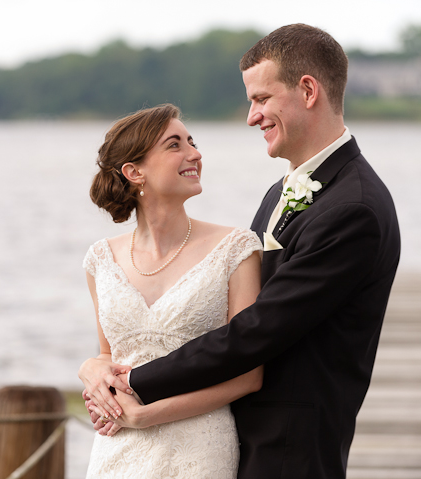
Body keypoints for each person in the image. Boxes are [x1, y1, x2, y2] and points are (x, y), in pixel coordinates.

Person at [79, 24, 401, 479]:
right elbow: (228, 313)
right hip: (231, 436)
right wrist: (94, 366)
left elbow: (253, 332)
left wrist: (132, 381)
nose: (252, 116)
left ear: (307, 90)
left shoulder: (355, 209)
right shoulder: (281, 192)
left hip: (290, 450)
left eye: (261, 98)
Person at [81, 102, 264, 478]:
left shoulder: (236, 249)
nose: (195, 153)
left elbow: (249, 376)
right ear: (135, 172)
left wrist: (146, 416)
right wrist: (90, 372)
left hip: (198, 449)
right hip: (116, 451)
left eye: (192, 141)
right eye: (174, 144)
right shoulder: (102, 259)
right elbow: (106, 354)